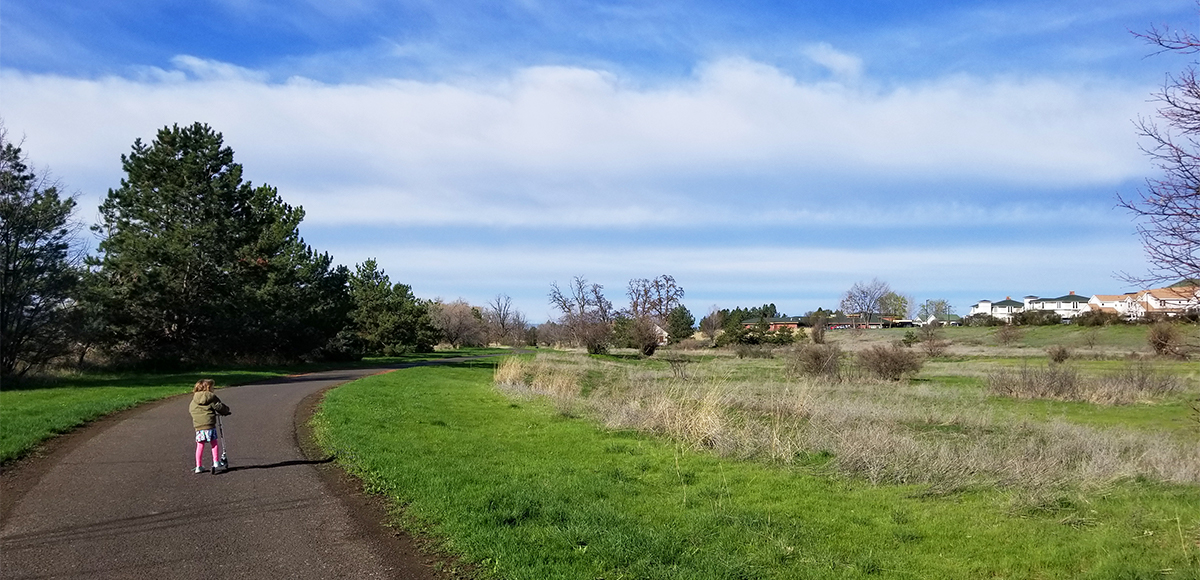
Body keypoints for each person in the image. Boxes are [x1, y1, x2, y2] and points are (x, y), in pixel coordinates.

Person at [189, 379, 231, 474]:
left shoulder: (194, 399)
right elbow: (219, 407)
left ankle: (198, 466)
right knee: (214, 443)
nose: (213, 389)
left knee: (200, 445)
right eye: (212, 387)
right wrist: (226, 411)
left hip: (199, 426)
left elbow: (191, 409)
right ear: (208, 388)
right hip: (209, 425)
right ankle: (216, 461)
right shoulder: (211, 397)